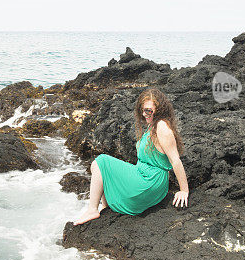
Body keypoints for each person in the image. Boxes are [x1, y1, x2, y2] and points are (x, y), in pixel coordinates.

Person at [72, 87, 190, 225]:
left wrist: (184, 190)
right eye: (143, 110)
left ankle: (93, 209)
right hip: (143, 176)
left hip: (150, 182)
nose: (145, 114)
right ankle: (104, 208)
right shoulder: (152, 126)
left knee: (102, 161)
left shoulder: (162, 126)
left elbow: (175, 160)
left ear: (159, 110)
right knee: (99, 167)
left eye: (149, 110)